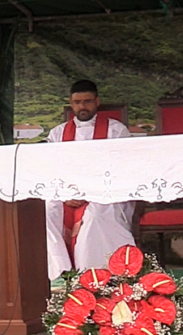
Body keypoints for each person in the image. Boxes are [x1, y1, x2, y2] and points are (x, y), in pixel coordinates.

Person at [46, 79, 134, 275]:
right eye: (77, 102)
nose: (82, 106)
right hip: (68, 193)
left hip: (104, 192)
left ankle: (93, 272)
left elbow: (123, 168)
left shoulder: (115, 130)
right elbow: (52, 169)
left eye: (87, 101)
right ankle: (61, 270)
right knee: (47, 210)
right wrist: (65, 194)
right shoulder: (58, 133)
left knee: (94, 216)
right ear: (71, 103)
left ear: (97, 101)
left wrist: (91, 192)